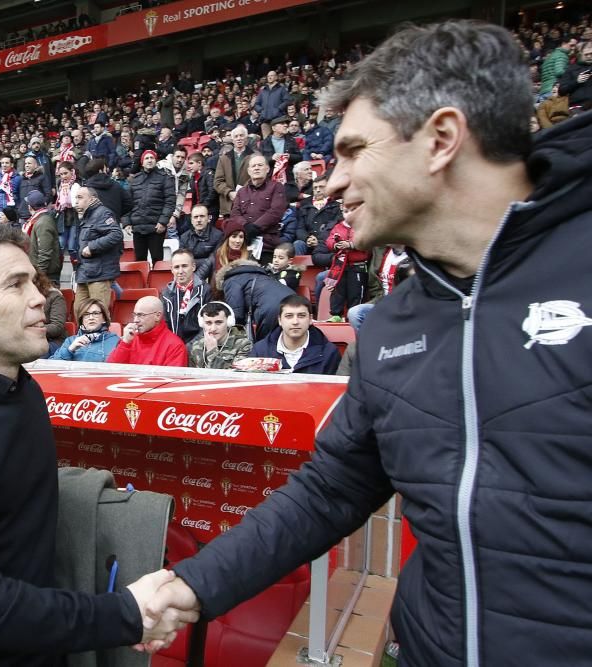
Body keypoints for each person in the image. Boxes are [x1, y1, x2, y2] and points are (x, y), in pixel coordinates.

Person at [143, 20, 592, 667]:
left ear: (440, 139)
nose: (331, 182)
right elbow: (331, 489)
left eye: (353, 150)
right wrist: (196, 584)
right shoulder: (387, 328)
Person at [0, 223, 193, 665]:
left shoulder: (24, 390)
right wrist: (123, 614)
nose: (41, 299)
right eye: (15, 284)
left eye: (36, 281)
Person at [246, 294, 340, 373]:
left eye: (301, 316)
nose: (295, 321)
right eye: (289, 316)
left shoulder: (329, 353)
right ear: (280, 320)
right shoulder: (260, 351)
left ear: (310, 319)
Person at [73, 187, 123, 319]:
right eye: (75, 198)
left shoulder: (102, 213)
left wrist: (92, 247)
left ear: (92, 199)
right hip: (85, 273)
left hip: (99, 274)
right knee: (79, 311)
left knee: (98, 314)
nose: (76, 202)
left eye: (80, 197)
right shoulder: (86, 217)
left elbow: (116, 234)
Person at [226, 154, 286, 261]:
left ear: (267, 169)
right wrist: (246, 226)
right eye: (253, 166)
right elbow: (235, 214)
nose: (256, 168)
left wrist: (255, 227)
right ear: (249, 171)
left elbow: (276, 211)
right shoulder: (241, 192)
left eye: (260, 165)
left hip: (267, 244)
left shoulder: (277, 187)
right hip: (243, 242)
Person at [106, 295, 187, 367]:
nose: (135, 320)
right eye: (134, 315)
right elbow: (110, 370)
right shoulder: (129, 339)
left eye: (141, 315)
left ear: (158, 316)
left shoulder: (175, 346)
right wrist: (125, 343)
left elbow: (172, 381)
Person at [160, 249, 211, 343]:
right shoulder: (166, 294)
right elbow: (165, 327)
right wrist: (175, 348)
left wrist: (188, 348)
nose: (180, 271)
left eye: (184, 266)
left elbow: (208, 327)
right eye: (176, 267)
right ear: (171, 270)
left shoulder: (205, 291)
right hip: (174, 347)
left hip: (199, 347)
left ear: (193, 267)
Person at [51, 298, 120, 362]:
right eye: (86, 314)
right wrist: (69, 350)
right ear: (82, 319)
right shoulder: (70, 341)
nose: (91, 317)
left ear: (104, 318)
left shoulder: (116, 341)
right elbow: (53, 366)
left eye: (95, 313)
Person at [186, 301, 251, 370]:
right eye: (208, 323)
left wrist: (212, 352)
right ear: (201, 324)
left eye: (218, 323)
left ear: (229, 322)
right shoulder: (196, 346)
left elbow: (233, 376)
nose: (213, 328)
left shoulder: (244, 345)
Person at [22, 191, 62, 285]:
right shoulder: (39, 220)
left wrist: (39, 276)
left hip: (47, 277)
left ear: (30, 206)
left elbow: (45, 252)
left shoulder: (43, 222)